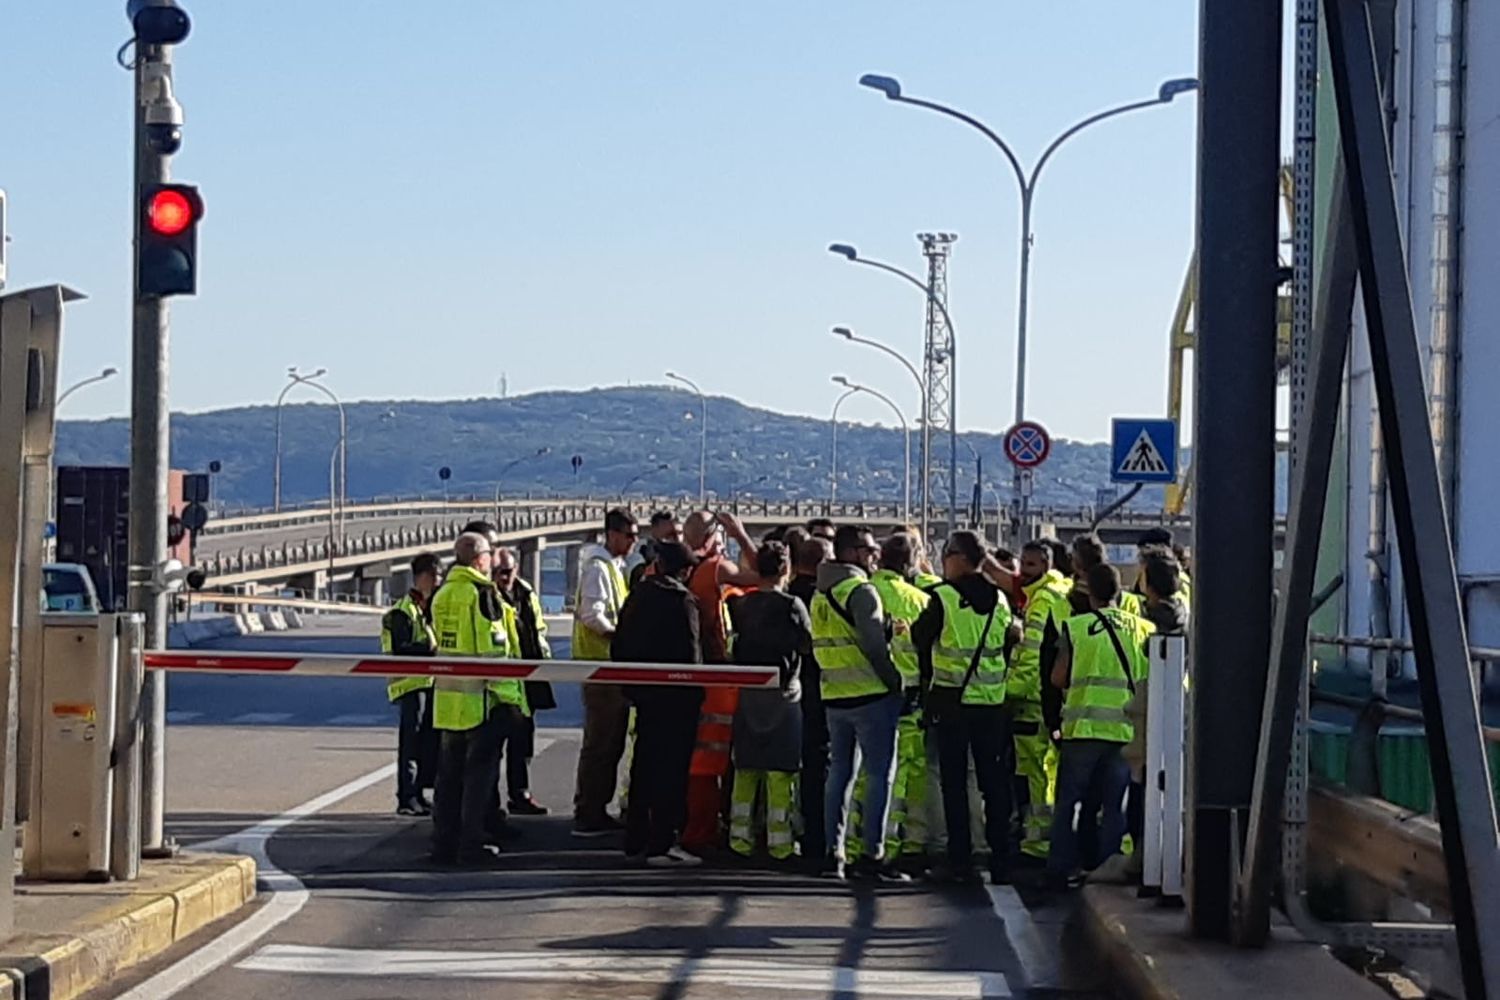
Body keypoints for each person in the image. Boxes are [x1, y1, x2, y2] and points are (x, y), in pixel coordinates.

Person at [913, 529, 1017, 886]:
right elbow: (1007, 645)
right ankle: (1001, 857)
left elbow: (919, 639)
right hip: (991, 702)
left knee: (954, 783)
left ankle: (960, 859)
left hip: (951, 699)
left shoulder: (941, 597)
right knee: (993, 782)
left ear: (959, 558)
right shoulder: (1001, 600)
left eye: (946, 554)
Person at [1048, 563, 1153, 891]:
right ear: (1120, 594)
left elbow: (1058, 677)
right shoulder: (1144, 628)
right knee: (1115, 806)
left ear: (1089, 593)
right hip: (1125, 729)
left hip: (1083, 728)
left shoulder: (1076, 627)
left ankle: (1060, 868)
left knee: (1070, 802)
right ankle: (1107, 870)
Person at [811, 524, 907, 882]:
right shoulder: (861, 592)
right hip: (870, 696)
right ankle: (872, 854)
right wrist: (895, 683)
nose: (874, 556)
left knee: (839, 775)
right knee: (879, 775)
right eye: (868, 550)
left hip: (835, 696)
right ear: (850, 553)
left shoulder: (820, 594)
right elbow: (873, 648)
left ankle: (832, 852)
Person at [430, 532, 528, 867]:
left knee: (448, 780)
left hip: (448, 701)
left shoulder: (443, 593)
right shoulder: (482, 594)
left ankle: (443, 843)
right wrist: (510, 701)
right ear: (479, 559)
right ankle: (470, 845)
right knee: (477, 782)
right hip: (481, 702)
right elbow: (495, 650)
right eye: (489, 554)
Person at [612, 541, 705, 867]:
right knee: (671, 772)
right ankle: (662, 842)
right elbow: (693, 657)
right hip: (677, 702)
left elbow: (619, 647)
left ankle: (635, 839)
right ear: (684, 571)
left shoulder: (637, 596)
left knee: (644, 765)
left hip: (644, 697)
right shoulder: (683, 602)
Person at [680, 510, 761, 849]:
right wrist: (741, 536)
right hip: (716, 674)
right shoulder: (716, 569)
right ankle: (704, 831)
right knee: (712, 759)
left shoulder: (670, 567)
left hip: (681, 674)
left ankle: (687, 823)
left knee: (689, 758)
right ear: (714, 536)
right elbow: (764, 576)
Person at [726, 541, 810, 861]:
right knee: (781, 771)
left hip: (748, 694)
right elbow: (806, 644)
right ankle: (781, 843)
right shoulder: (792, 606)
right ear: (786, 569)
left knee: (746, 768)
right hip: (785, 695)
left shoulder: (742, 606)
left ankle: (739, 838)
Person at [571, 508, 637, 837]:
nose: (633, 541)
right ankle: (588, 810)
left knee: (610, 744)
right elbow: (592, 616)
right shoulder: (598, 569)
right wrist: (617, 634)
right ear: (612, 534)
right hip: (600, 669)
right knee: (600, 743)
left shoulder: (613, 568)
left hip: (611, 669)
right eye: (628, 535)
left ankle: (596, 806)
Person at [1122, 548, 1188, 875]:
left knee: (1144, 783)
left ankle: (1145, 859)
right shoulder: (1183, 611)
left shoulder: (1157, 618)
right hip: (1170, 704)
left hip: (1154, 707)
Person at [1008, 540, 1074, 861]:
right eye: (1022, 563)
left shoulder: (1041, 601)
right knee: (1048, 771)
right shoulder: (1061, 592)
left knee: (1035, 773)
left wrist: (1008, 692)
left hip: (1032, 701)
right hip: (1052, 699)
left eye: (1030, 565)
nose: (1023, 571)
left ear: (1045, 567)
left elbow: (1032, 656)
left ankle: (1037, 843)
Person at [493, 545, 555, 816]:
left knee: (523, 741)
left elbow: (537, 631)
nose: (504, 577)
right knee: (493, 748)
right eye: (498, 572)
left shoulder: (525, 593)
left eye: (508, 571)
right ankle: (491, 805)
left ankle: (520, 794)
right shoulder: (487, 595)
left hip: (528, 677)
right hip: (500, 682)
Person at [382, 552, 441, 816]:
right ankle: (406, 797)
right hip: (409, 685)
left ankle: (418, 793)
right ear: (423, 577)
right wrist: (430, 649)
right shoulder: (402, 612)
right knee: (411, 743)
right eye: (435, 575)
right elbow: (401, 649)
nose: (438, 581)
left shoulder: (428, 608)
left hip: (429, 683)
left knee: (426, 742)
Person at [789, 534, 833, 864]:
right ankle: (821, 839)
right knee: (821, 768)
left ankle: (801, 833)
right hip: (823, 692)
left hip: (791, 693)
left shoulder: (787, 596)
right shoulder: (823, 598)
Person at [629, 510, 682, 589]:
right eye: (669, 535)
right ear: (653, 531)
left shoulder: (688, 562)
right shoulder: (638, 561)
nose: (677, 539)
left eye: (680, 533)